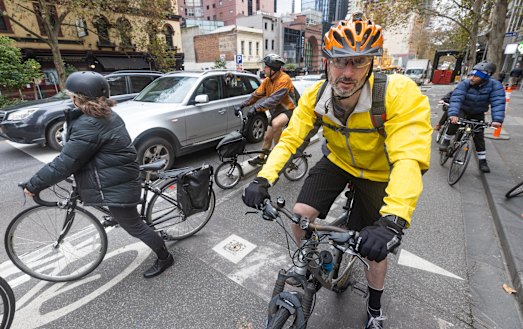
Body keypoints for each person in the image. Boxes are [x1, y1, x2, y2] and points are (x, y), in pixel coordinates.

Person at [242, 12, 431, 329]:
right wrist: (263, 178)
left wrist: (394, 220)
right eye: (340, 62)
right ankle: (311, 260)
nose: (347, 72)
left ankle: (373, 307)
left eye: (358, 62)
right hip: (339, 161)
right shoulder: (316, 97)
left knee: (375, 252)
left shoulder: (397, 93)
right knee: (301, 214)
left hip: (379, 173)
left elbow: (409, 158)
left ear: (372, 63)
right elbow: (290, 141)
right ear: (326, 61)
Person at [22, 71, 174, 279]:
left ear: (78, 98)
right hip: (116, 173)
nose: (70, 99)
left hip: (118, 180)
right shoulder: (104, 115)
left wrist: (34, 184)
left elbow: (65, 162)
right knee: (128, 219)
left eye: (71, 96)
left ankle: (165, 257)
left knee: (135, 226)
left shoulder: (89, 123)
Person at [438, 61, 505, 173]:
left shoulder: (495, 86)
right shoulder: (466, 83)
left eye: (476, 76)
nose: (472, 78)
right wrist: (453, 113)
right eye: (472, 75)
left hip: (478, 112)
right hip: (463, 109)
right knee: (454, 122)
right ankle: (446, 141)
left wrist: (497, 120)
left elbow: (498, 102)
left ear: (485, 77)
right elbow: (457, 97)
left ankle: (482, 161)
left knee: (479, 136)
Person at [239, 53, 296, 166]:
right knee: (267, 137)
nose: (263, 69)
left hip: (288, 109)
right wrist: (242, 105)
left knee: (276, 124)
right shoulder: (267, 81)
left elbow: (274, 99)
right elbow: (256, 95)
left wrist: (256, 108)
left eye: (265, 66)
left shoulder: (284, 79)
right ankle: (261, 158)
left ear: (273, 68)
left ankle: (279, 153)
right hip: (276, 111)